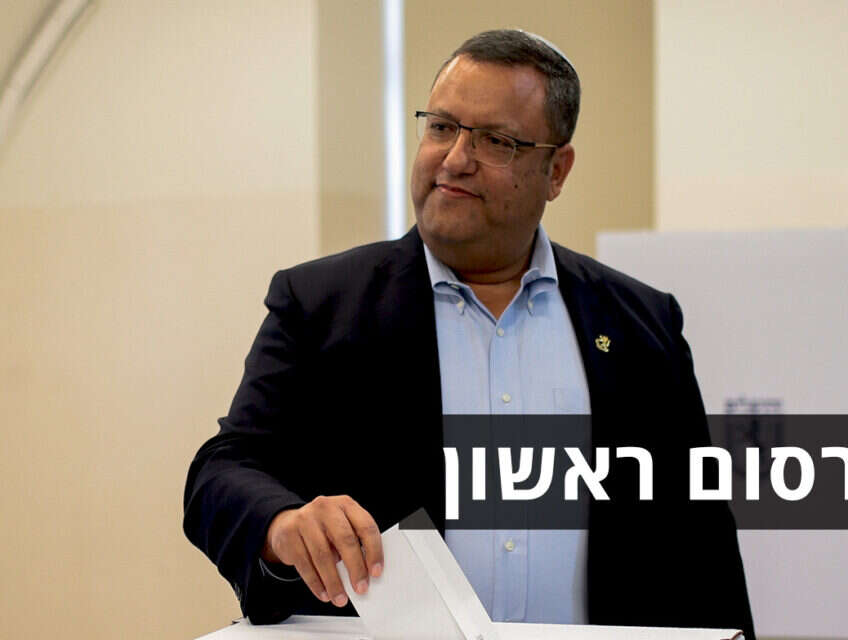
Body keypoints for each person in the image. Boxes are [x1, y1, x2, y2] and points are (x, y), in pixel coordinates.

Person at [184, 29, 755, 637]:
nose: (455, 158)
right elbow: (222, 469)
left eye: (496, 141)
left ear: (557, 170)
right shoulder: (321, 305)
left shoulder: (641, 324)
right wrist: (281, 524)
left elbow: (702, 542)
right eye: (441, 127)